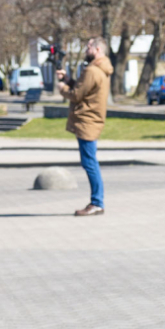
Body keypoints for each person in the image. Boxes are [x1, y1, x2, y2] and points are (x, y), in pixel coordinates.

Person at [57, 38, 111, 216]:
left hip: (87, 121)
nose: (86, 50)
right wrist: (69, 79)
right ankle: (97, 202)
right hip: (92, 119)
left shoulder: (92, 70)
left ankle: (97, 202)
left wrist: (62, 87)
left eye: (88, 47)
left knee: (90, 163)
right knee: (90, 162)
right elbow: (84, 89)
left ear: (96, 49)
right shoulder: (100, 69)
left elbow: (76, 95)